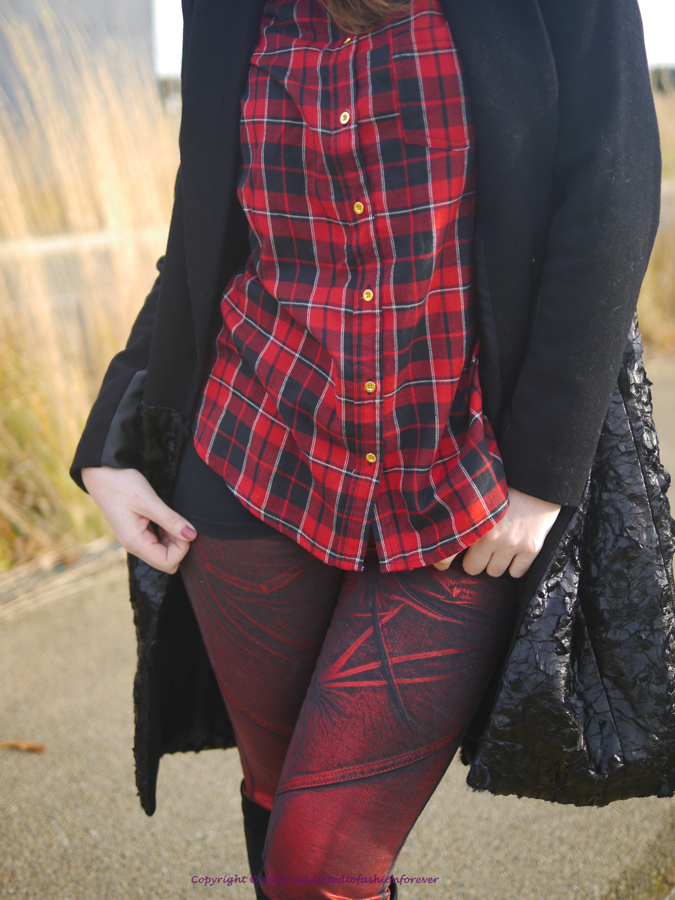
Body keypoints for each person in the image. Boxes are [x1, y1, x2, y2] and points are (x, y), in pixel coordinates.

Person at [71, 0, 661, 897]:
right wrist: (109, 440)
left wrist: (544, 473)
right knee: (276, 799)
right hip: (250, 457)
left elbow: (611, 191)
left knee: (318, 864)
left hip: (460, 485)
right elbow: (204, 226)